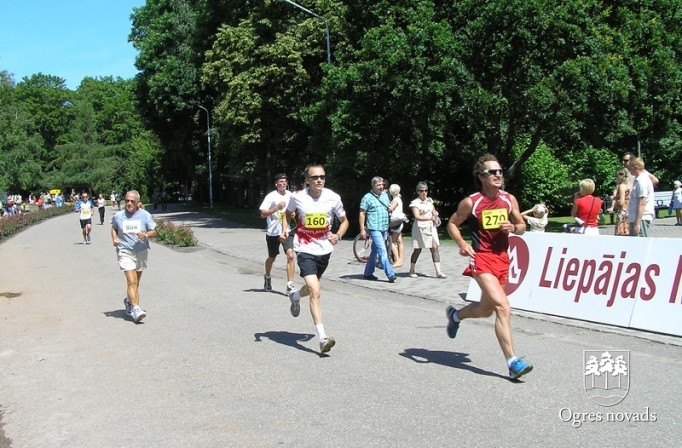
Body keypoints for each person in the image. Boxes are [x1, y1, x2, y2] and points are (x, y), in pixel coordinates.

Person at [445, 153, 533, 380]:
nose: (498, 175)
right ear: (481, 177)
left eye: (500, 171)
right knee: (503, 307)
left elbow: (522, 225)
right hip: (481, 257)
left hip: (502, 257)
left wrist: (513, 227)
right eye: (492, 172)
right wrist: (462, 243)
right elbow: (452, 224)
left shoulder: (508, 199)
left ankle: (455, 316)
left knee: (486, 309)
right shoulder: (471, 202)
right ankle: (513, 362)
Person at [283, 164, 349, 354]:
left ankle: (295, 296)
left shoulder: (333, 197)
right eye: (314, 177)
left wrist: (338, 235)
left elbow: (345, 221)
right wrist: (284, 229)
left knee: (313, 288)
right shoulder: (297, 197)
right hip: (304, 248)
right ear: (307, 180)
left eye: (322, 177)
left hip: (325, 250)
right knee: (315, 291)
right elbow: (288, 214)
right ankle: (322, 338)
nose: (319, 180)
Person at [111, 190, 157, 323]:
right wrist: (115, 239)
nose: (129, 203)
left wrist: (146, 235)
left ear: (138, 202)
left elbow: (154, 230)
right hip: (125, 250)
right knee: (132, 281)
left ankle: (128, 301)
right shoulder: (119, 215)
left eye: (132, 201)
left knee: (136, 283)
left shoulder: (145, 215)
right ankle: (136, 309)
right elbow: (114, 227)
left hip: (141, 251)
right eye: (127, 201)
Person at [259, 173, 297, 294]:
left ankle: (290, 285)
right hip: (273, 232)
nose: (283, 184)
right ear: (276, 184)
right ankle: (268, 277)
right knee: (272, 258)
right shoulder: (271, 196)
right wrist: (276, 208)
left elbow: (293, 210)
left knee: (291, 255)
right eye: (280, 182)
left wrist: (293, 214)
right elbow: (262, 214)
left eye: (285, 182)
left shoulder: (291, 195)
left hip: (287, 230)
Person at [359, 176, 396, 283]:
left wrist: (391, 208)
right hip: (374, 228)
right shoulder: (367, 198)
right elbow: (362, 214)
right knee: (382, 251)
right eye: (378, 185)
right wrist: (362, 229)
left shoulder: (385, 195)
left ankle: (368, 272)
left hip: (384, 227)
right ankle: (390, 274)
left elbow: (389, 206)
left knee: (375, 250)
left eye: (382, 184)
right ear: (373, 186)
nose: (381, 187)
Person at [408, 182, 446, 279]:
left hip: (431, 227)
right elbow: (417, 216)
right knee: (417, 250)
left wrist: (435, 213)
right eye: (421, 191)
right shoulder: (415, 203)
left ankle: (438, 272)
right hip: (420, 228)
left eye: (426, 190)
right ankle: (412, 269)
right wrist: (429, 218)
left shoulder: (430, 201)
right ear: (418, 192)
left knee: (434, 247)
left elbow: (433, 211)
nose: (424, 193)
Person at [627, 157, 655, 237]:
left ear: (635, 168)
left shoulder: (642, 181)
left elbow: (642, 203)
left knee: (639, 245)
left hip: (641, 218)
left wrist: (637, 223)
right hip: (635, 218)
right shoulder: (638, 180)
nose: (629, 170)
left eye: (630, 167)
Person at [606, 168, 630, 235]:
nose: (616, 178)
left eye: (617, 176)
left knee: (621, 230)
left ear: (621, 176)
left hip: (623, 210)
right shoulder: (630, 184)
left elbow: (621, 202)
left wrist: (615, 199)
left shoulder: (622, 186)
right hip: (630, 208)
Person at [388, 184, 406, 267]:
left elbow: (391, 208)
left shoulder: (395, 199)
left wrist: (388, 208)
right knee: (400, 241)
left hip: (396, 223)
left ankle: (398, 260)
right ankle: (400, 260)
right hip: (400, 222)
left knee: (392, 242)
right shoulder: (399, 198)